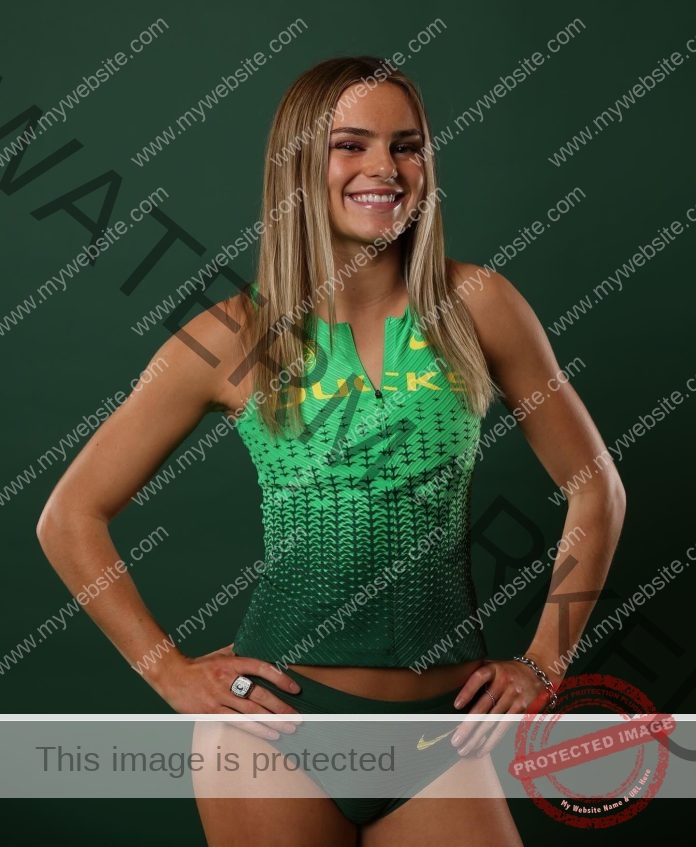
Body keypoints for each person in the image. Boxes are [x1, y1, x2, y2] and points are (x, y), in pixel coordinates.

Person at [36, 55, 626, 846]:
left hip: (442, 730)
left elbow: (597, 488)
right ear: (299, 165)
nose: (383, 167)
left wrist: (547, 660)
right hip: (276, 729)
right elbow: (70, 515)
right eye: (350, 144)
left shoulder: (480, 305)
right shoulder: (231, 336)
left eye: (406, 145)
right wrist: (167, 671)